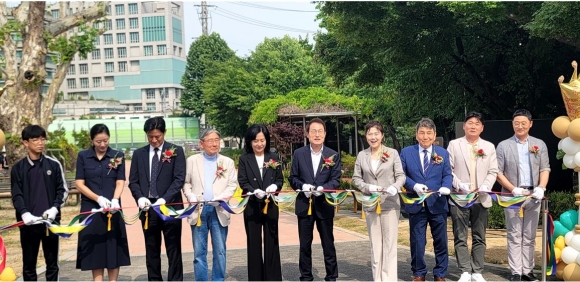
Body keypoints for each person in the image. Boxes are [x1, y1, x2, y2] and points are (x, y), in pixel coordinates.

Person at [128, 116, 186, 281]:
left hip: (171, 207)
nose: (154, 140)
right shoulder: (139, 154)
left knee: (173, 247)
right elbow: (133, 181)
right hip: (148, 209)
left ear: (164, 133)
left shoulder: (176, 151)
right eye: (150, 137)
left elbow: (178, 179)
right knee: (151, 248)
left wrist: (164, 199)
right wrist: (139, 198)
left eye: (157, 137)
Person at [496, 109, 550, 282]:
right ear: (512, 124)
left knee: (529, 235)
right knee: (514, 234)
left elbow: (544, 168)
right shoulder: (504, 145)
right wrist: (512, 188)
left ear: (530, 124)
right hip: (512, 196)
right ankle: (516, 272)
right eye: (516, 123)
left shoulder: (539, 144)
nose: (520, 126)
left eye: (523, 123)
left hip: (533, 195)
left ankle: (528, 270)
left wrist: (541, 187)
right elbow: (498, 172)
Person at [10, 125, 68, 281]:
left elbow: (62, 190)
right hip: (28, 224)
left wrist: (55, 209)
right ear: (25, 143)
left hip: (50, 223)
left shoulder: (53, 164)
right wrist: (24, 212)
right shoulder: (18, 169)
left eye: (43, 139)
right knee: (29, 265)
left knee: (52, 264)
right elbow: (16, 194)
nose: (40, 143)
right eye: (35, 140)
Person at [447, 112, 498, 282]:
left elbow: (493, 171)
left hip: (481, 198)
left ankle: (477, 270)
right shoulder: (454, 145)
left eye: (477, 123)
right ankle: (464, 271)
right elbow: (449, 170)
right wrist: (458, 184)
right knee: (460, 236)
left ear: (482, 127)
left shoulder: (489, 147)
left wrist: (486, 186)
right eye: (470, 123)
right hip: (459, 197)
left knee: (479, 236)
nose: (473, 126)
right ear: (464, 126)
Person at [75, 124, 131, 281]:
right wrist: (97, 198)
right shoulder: (83, 156)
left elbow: (120, 182)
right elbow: (79, 183)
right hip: (91, 208)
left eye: (105, 140)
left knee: (113, 245)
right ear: (91, 140)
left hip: (112, 209)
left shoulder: (117, 155)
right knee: (95, 247)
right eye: (98, 141)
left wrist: (114, 199)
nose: (102, 145)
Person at [288, 118, 342, 281]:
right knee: (305, 244)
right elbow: (292, 177)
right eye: (313, 131)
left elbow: (336, 179)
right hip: (304, 204)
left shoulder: (332, 155)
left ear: (325, 134)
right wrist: (302, 186)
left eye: (320, 131)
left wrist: (323, 189)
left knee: (328, 243)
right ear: (307, 134)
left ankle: (331, 277)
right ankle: (305, 276)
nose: (317, 134)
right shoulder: (299, 154)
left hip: (324, 204)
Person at [400, 118, 452, 282]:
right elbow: (401, 175)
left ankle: (440, 273)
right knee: (417, 241)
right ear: (416, 135)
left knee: (441, 241)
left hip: (437, 203)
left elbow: (448, 174)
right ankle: (419, 273)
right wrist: (413, 185)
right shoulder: (406, 152)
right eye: (422, 133)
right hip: (416, 204)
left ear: (434, 135)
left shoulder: (442, 153)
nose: (425, 136)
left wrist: (446, 186)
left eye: (429, 133)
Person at [352, 121, 406, 281]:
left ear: (382, 135)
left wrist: (395, 187)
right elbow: (356, 178)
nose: (373, 137)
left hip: (390, 203)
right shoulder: (362, 155)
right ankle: (378, 279)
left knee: (389, 245)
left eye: (376, 133)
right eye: (370, 134)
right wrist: (367, 187)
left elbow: (401, 176)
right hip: (371, 204)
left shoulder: (392, 153)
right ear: (366, 136)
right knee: (375, 245)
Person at [182, 128, 238, 281]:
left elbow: (232, 185)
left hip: (219, 209)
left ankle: (218, 279)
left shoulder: (227, 162)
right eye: (210, 140)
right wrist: (190, 196)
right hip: (198, 211)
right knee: (199, 251)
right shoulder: (192, 161)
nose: (214, 144)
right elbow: (186, 183)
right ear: (201, 144)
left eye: (217, 140)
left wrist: (221, 198)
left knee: (220, 250)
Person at [238, 124, 283, 281]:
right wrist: (252, 190)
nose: (259, 144)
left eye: (262, 140)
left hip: (270, 204)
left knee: (272, 240)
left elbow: (279, 179)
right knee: (254, 243)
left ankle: (273, 277)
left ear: (267, 140)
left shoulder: (274, 157)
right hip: (252, 205)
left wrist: (274, 187)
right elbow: (242, 180)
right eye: (255, 140)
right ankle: (256, 277)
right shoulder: (244, 159)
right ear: (250, 142)